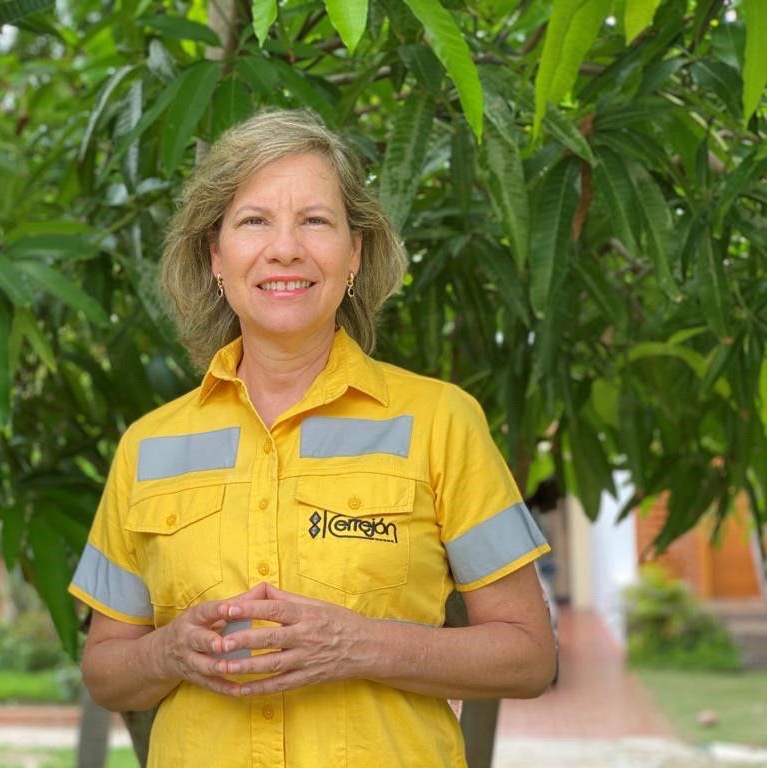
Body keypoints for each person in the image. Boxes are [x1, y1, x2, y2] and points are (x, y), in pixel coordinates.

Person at [69, 109, 555, 768]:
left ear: (354, 253)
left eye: (315, 221)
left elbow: (529, 655)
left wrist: (357, 645)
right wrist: (169, 652)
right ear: (215, 254)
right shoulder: (148, 446)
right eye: (253, 221)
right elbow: (105, 672)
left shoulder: (442, 422)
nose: (285, 249)